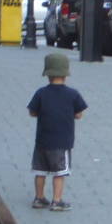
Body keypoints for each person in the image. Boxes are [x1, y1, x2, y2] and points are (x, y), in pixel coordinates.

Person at [27, 53, 87, 211]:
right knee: (59, 173)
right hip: (62, 142)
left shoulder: (41, 93)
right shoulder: (73, 94)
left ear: (47, 75)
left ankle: (39, 198)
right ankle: (57, 200)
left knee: (40, 171)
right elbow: (79, 114)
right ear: (66, 75)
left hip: (42, 141)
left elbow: (32, 112)